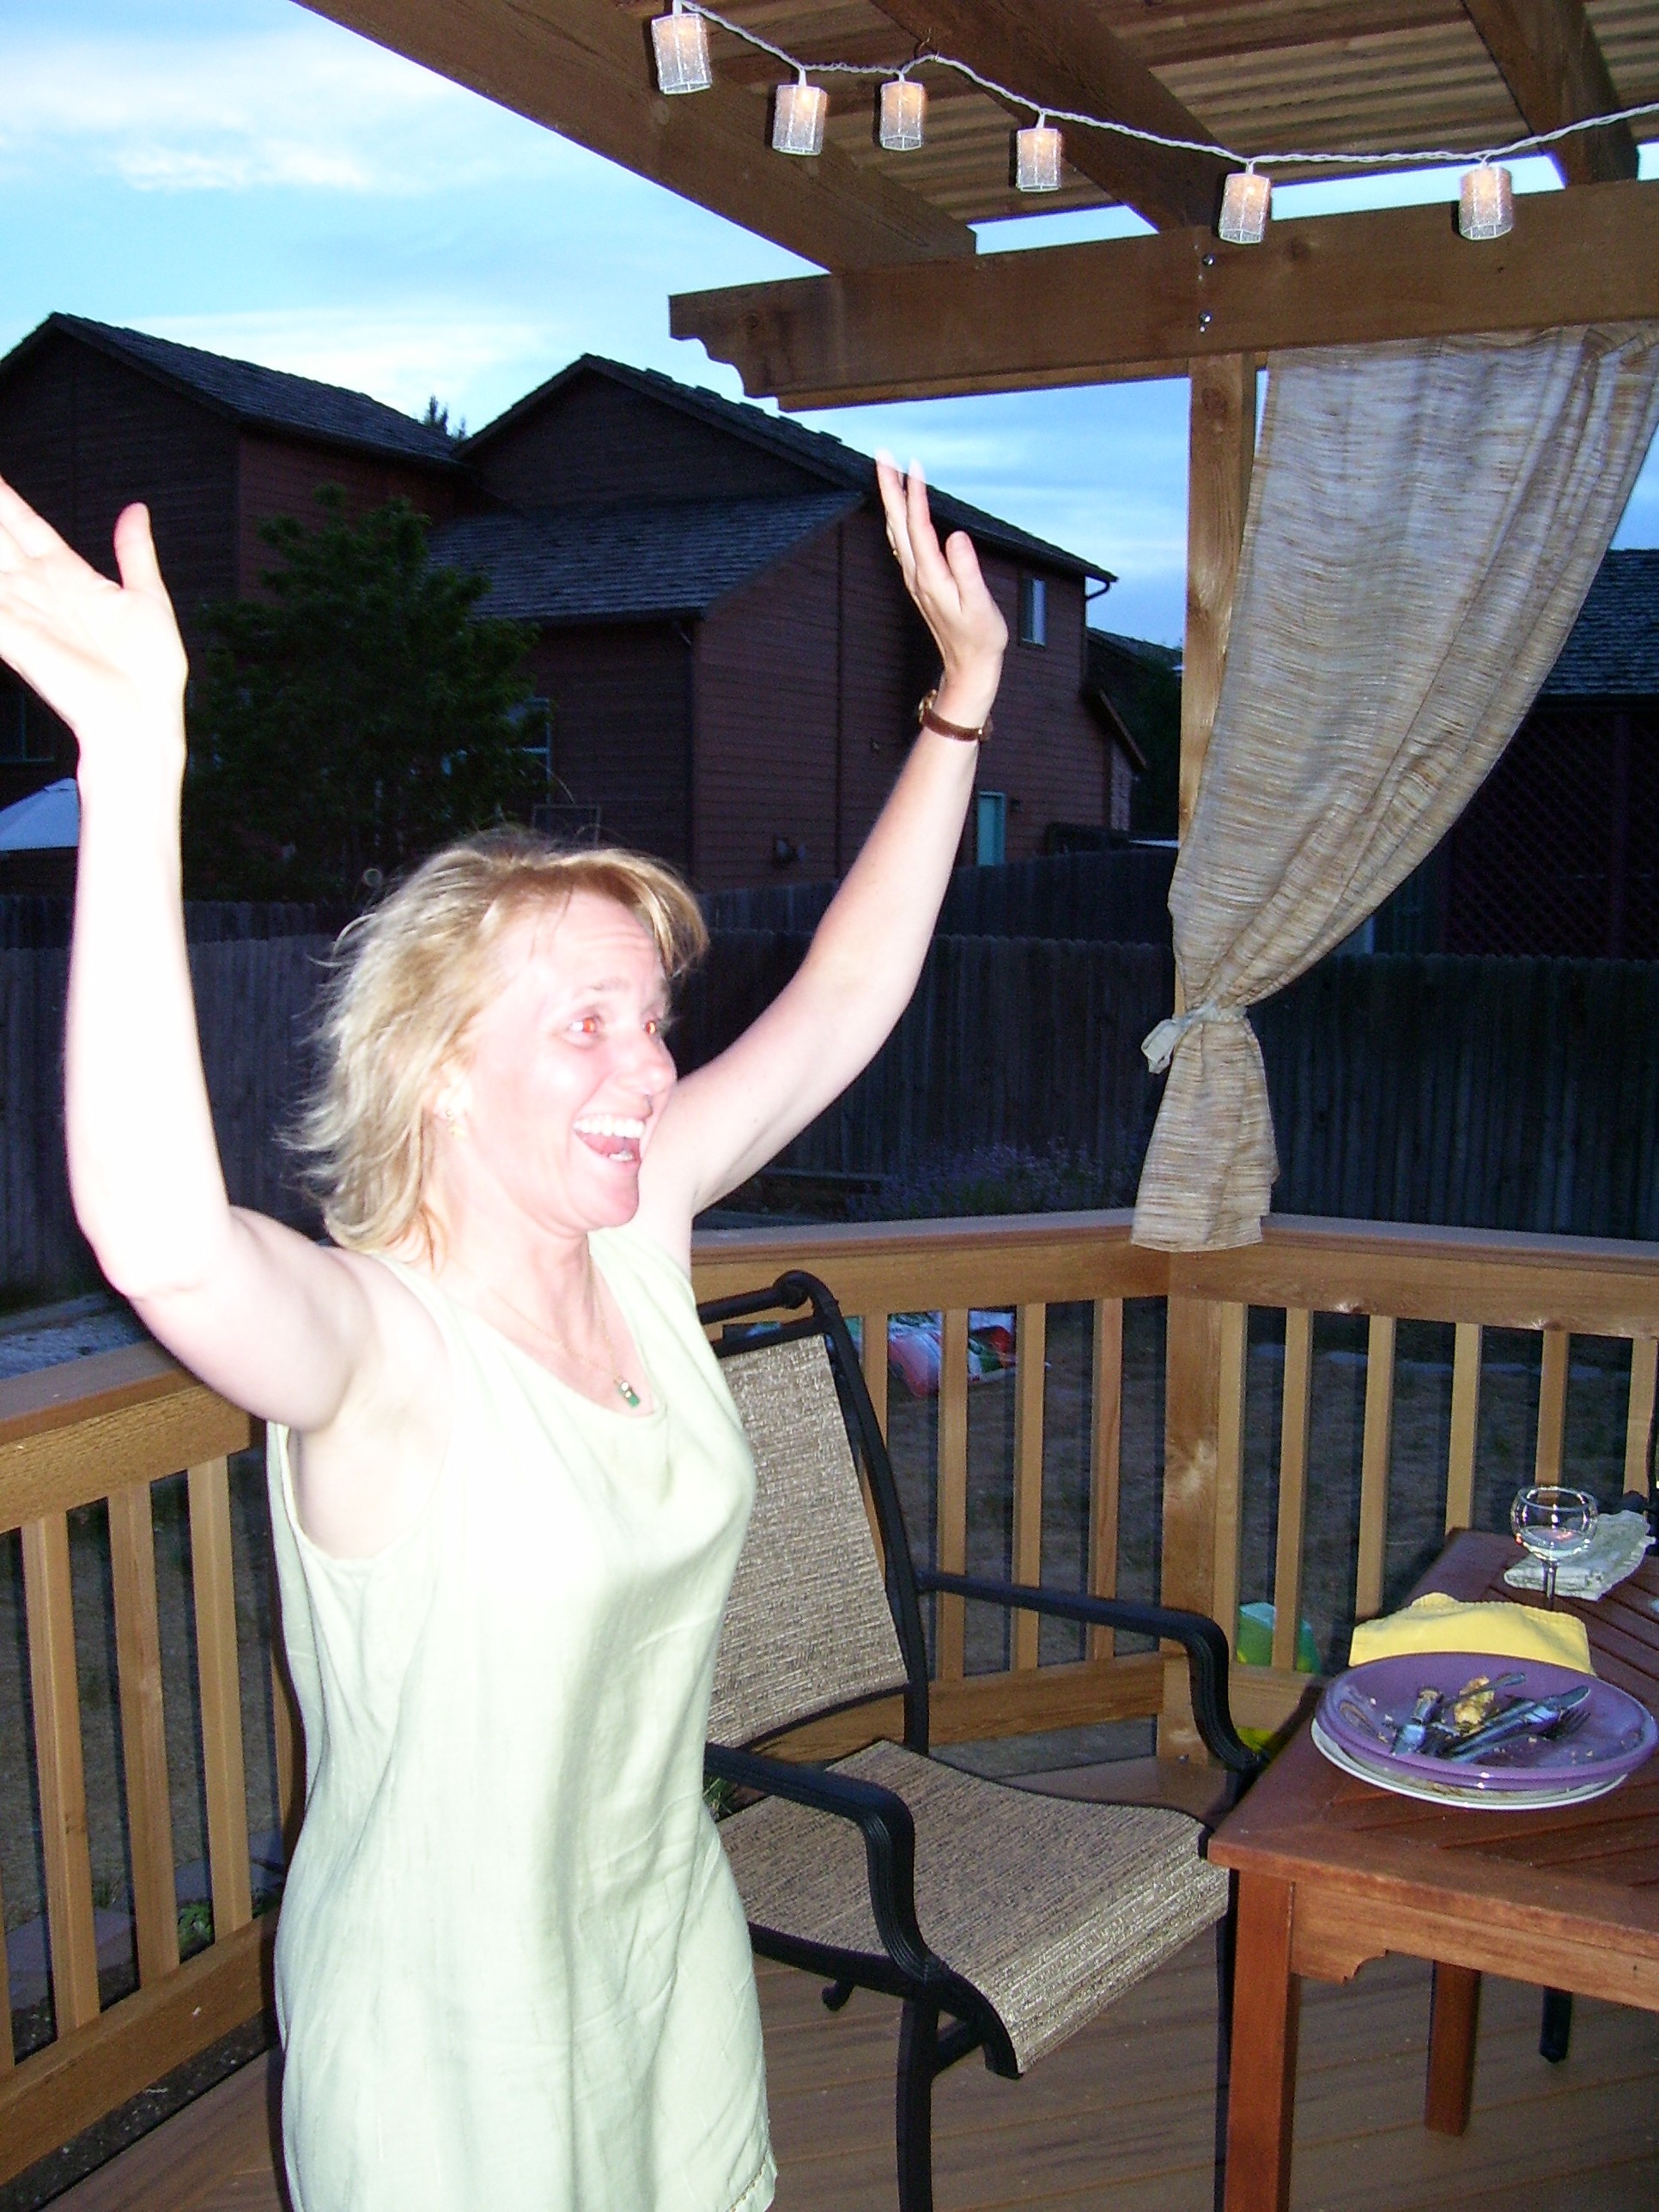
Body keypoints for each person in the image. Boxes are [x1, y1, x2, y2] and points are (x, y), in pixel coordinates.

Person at [0, 455, 1006, 2212]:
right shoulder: (376, 1348)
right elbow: (162, 1237)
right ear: (444, 1069)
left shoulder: (634, 1237)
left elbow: (847, 993)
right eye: (589, 1025)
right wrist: (134, 766)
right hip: (445, 2042)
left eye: (656, 1019)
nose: (654, 1068)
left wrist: (963, 704)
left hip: (663, 1954)